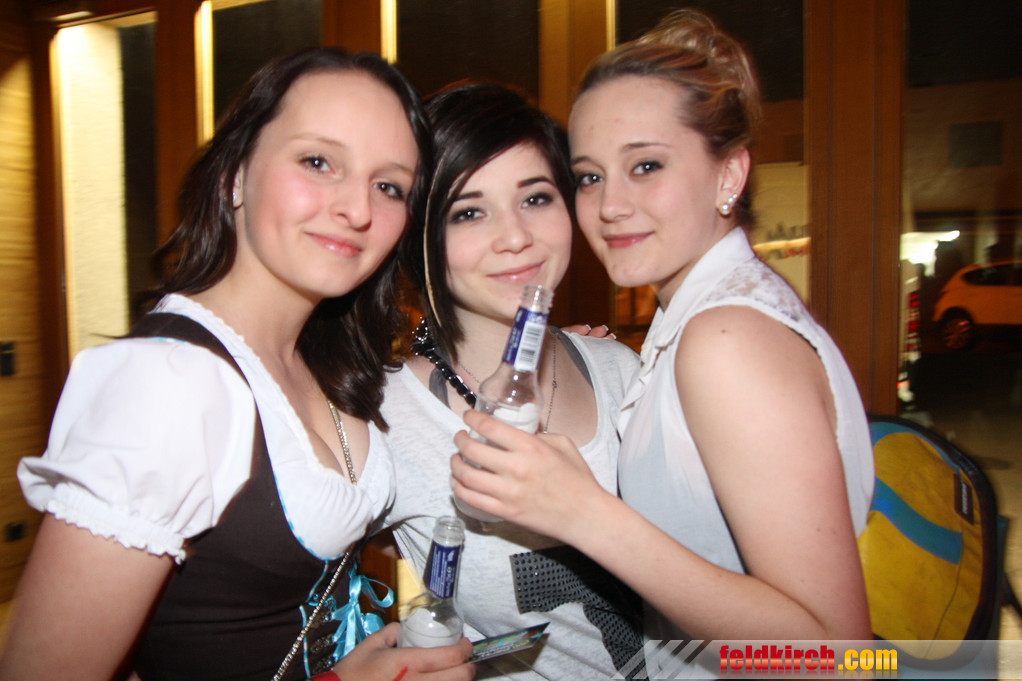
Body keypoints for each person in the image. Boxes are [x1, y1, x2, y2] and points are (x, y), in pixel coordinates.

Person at [0, 48, 473, 681]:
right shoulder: (165, 383)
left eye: (388, 186)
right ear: (234, 175)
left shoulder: (322, 355)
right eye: (318, 162)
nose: (358, 209)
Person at [449, 8, 875, 658]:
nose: (611, 205)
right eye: (590, 176)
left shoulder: (726, 340)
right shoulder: (705, 314)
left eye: (646, 165)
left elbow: (837, 657)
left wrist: (584, 513)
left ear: (729, 175)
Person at [381, 82, 644, 679]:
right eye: (469, 212)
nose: (516, 237)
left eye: (536, 198)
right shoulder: (386, 417)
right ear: (420, 239)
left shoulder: (623, 371)